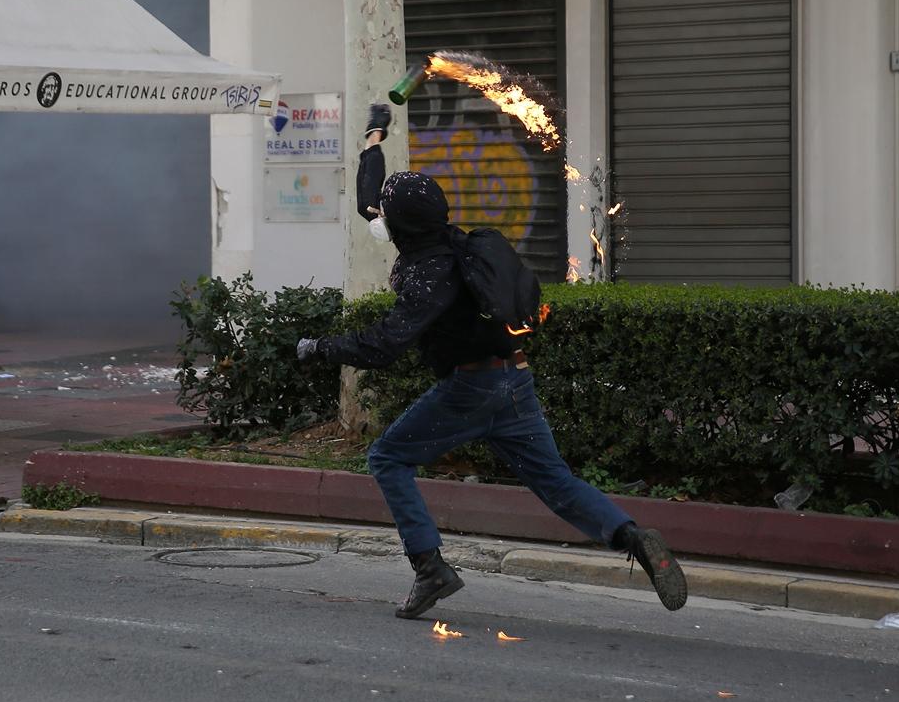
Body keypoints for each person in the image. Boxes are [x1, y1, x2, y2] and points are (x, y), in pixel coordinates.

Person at [295, 104, 688, 620]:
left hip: (471, 389)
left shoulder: (427, 275)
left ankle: (430, 567)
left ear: (404, 227)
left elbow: (384, 346)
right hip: (514, 380)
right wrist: (374, 139)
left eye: (388, 216)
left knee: (387, 459)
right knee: (556, 482)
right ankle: (632, 536)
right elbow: (373, 204)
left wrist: (318, 347)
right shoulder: (452, 243)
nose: (379, 218)